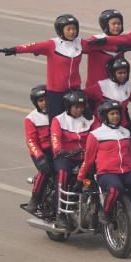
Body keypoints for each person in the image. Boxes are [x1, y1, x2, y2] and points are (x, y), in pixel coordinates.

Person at [0, 14, 106, 121]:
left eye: (74, 29)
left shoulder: (80, 43)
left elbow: (97, 45)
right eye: (68, 29)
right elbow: (32, 46)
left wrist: (112, 43)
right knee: (55, 122)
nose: (72, 32)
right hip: (56, 91)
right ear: (60, 30)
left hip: (74, 89)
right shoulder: (52, 44)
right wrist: (13, 50)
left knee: (77, 120)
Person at [77, 100, 131, 226]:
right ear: (104, 116)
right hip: (107, 173)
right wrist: (80, 178)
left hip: (127, 171)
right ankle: (104, 212)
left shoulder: (125, 132)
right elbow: (88, 159)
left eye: (117, 113)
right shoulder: (95, 135)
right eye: (112, 114)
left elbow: (128, 153)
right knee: (115, 188)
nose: (116, 116)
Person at [50, 89, 93, 225]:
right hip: (66, 157)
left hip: (85, 157)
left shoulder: (89, 118)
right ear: (68, 107)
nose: (79, 110)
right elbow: (55, 138)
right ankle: (60, 213)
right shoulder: (59, 120)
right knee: (63, 174)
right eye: (76, 107)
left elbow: (99, 134)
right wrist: (59, 150)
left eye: (81, 107)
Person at [83, 56, 131, 135]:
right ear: (113, 73)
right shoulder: (101, 86)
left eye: (125, 72)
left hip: (122, 124)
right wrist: (86, 110)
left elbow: (130, 95)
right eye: (120, 73)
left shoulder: (127, 84)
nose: (123, 75)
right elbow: (83, 94)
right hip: (102, 125)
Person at [84, 9, 131, 89]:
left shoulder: (122, 40)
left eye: (119, 23)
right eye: (114, 24)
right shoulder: (96, 39)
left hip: (115, 88)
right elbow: (83, 47)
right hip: (96, 87)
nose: (117, 26)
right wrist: (114, 48)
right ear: (105, 25)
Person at [24, 85, 53, 214]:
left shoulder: (57, 114)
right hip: (41, 153)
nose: (44, 103)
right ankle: (34, 199)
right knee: (45, 171)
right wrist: (41, 158)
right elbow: (31, 141)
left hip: (56, 151)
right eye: (41, 100)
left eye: (46, 99)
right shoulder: (31, 118)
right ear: (36, 102)